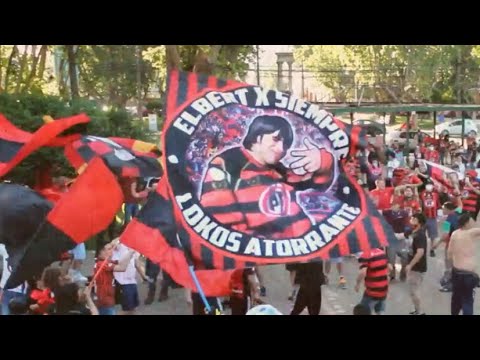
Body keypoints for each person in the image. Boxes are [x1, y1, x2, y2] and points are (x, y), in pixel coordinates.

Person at [200, 115, 335, 239]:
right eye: (275, 139)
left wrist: (323, 163)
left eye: (286, 144)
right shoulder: (227, 164)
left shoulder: (278, 169)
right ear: (258, 137)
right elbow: (221, 220)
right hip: (269, 256)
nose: (281, 149)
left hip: (300, 251)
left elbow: (316, 184)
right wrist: (264, 251)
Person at [447, 213, 480, 315]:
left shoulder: (454, 233)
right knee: (467, 300)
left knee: (456, 298)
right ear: (466, 223)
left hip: (457, 271)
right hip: (469, 273)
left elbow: (449, 254)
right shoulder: (471, 233)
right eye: (470, 221)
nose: (472, 223)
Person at [355, 248, 391, 315]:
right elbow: (390, 268)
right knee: (380, 312)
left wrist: (357, 284)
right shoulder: (382, 253)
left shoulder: (366, 255)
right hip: (383, 290)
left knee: (363, 312)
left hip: (372, 292)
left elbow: (363, 272)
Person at [405, 213, 428, 315]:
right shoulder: (412, 232)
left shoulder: (420, 235)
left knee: (414, 291)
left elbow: (420, 252)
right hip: (413, 265)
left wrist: (410, 265)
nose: (411, 219)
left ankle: (420, 311)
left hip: (417, 267)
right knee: (412, 291)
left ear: (419, 222)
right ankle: (417, 309)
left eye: (414, 218)